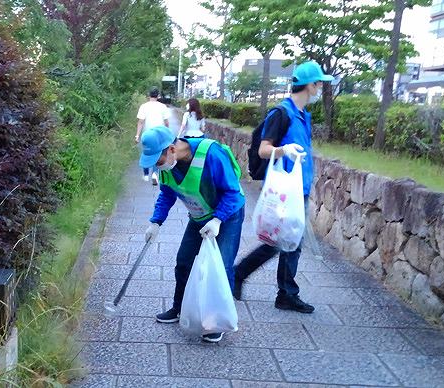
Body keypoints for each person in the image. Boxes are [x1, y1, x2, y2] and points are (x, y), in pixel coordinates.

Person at [233, 61, 334, 313]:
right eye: (318, 83)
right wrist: (283, 150)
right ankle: (278, 289)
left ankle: (260, 282)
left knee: (287, 240)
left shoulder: (301, 116)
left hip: (299, 188)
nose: (320, 87)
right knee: (285, 240)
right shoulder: (282, 113)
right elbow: (263, 149)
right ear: (310, 85)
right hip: (285, 192)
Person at [140, 126, 245, 343]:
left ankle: (218, 320)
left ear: (171, 149)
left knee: (221, 266)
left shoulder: (211, 155)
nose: (158, 167)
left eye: (158, 161)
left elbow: (232, 192)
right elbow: (167, 194)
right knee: (184, 261)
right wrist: (156, 222)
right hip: (199, 215)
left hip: (227, 214)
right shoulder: (168, 166)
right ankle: (179, 308)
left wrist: (218, 220)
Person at [135, 87, 171, 185]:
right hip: (159, 134)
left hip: (147, 134)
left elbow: (141, 122)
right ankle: (155, 174)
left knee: (146, 153)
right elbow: (167, 123)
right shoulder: (163, 107)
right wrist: (167, 133)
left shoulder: (144, 106)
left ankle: (146, 174)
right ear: (158, 95)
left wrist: (137, 135)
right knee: (157, 153)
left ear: (148, 95)